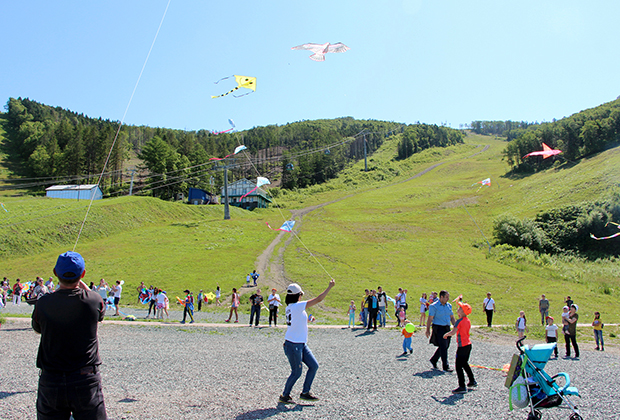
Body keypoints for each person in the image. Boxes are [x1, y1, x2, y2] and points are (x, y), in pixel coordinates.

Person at [31, 251, 107, 419]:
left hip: (51, 378)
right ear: (83, 274)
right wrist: (80, 281)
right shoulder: (92, 300)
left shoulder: (43, 303)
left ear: (55, 273)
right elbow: (101, 310)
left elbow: (37, 329)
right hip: (85, 378)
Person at [279, 278, 335, 404]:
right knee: (296, 372)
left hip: (300, 344)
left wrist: (309, 319)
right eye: (300, 295)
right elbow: (318, 299)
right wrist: (329, 287)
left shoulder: (291, 307)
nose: (301, 297)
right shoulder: (297, 306)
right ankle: (284, 395)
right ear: (297, 295)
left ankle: (305, 392)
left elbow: (298, 321)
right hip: (293, 345)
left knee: (314, 366)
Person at [444, 302, 476, 394]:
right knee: (465, 363)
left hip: (462, 346)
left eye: (460, 308)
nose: (458, 308)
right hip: (468, 345)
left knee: (458, 366)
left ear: (462, 312)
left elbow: (453, 332)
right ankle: (472, 380)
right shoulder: (467, 320)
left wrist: (446, 335)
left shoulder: (459, 321)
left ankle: (462, 386)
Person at [426, 290, 456, 372]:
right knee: (443, 346)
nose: (448, 299)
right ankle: (445, 366)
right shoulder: (434, 306)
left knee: (446, 346)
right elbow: (430, 318)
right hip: (438, 328)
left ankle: (434, 359)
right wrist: (427, 329)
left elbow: (452, 317)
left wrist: (456, 326)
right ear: (441, 297)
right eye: (446, 297)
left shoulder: (449, 306)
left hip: (447, 327)